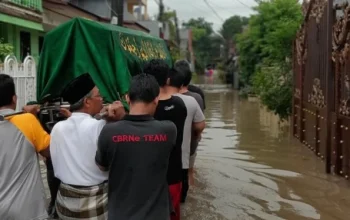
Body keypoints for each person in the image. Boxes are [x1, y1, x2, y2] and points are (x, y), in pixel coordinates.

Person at [95, 73, 177, 220]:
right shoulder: (169, 130)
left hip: (120, 214)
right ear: (156, 99)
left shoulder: (109, 131)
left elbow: (102, 167)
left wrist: (119, 118)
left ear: (127, 98)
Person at [50, 73, 126, 220]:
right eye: (98, 95)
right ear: (87, 101)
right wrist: (121, 117)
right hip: (94, 202)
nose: (102, 99)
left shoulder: (58, 128)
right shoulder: (101, 127)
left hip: (65, 202)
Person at [0, 74, 50, 220]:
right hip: (27, 211)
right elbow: (49, 151)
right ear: (14, 99)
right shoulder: (26, 120)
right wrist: (34, 117)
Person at [143, 59, 187, 220]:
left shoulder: (142, 107)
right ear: (168, 79)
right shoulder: (179, 105)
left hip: (147, 176)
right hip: (173, 174)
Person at [167, 68, 206, 203]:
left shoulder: (154, 101)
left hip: (160, 161)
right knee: (180, 201)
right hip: (183, 157)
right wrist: (195, 137)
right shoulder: (193, 99)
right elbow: (200, 125)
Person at [175, 60, 205, 185]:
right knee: (189, 172)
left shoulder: (166, 95)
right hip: (191, 141)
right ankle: (190, 197)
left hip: (172, 143)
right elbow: (200, 122)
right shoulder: (197, 95)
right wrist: (197, 136)